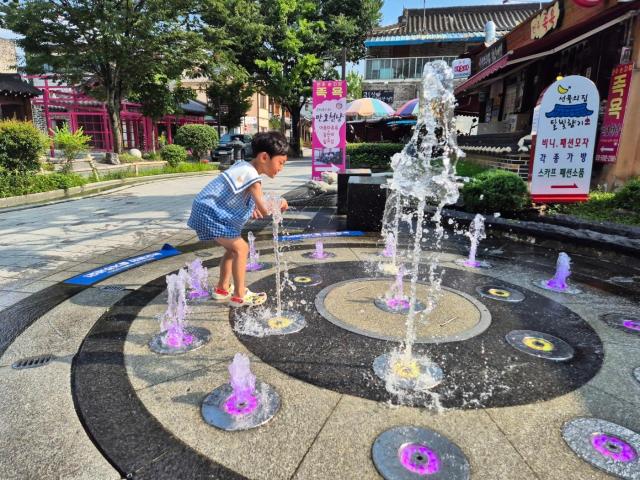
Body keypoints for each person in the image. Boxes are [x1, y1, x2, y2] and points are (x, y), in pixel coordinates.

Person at [188, 131, 289, 307]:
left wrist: (252, 208)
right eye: (281, 163)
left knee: (232, 250)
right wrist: (278, 202)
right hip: (210, 212)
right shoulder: (252, 176)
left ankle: (222, 288)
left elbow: (236, 195)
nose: (281, 168)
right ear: (264, 157)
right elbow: (265, 210)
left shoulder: (244, 167)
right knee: (241, 248)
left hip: (207, 209)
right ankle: (239, 294)